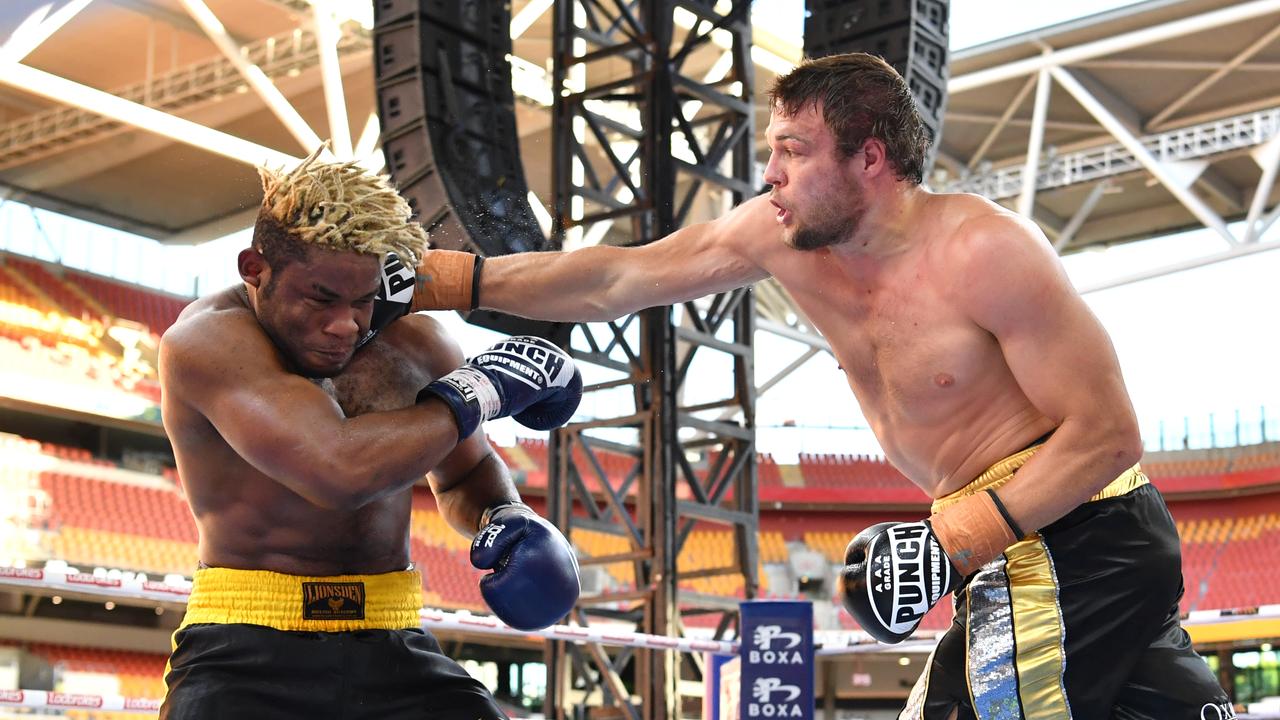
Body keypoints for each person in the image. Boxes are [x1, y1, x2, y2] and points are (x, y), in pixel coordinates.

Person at [411, 53, 1233, 719]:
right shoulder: (777, 238)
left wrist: (955, 540)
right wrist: (438, 281)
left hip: (1075, 536)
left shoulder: (983, 252)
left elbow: (1109, 435)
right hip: (1030, 546)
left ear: (869, 158)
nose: (769, 172)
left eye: (793, 152)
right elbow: (615, 278)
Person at [157, 148, 582, 720]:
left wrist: (507, 516)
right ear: (254, 268)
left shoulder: (417, 345)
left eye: (363, 300)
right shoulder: (205, 344)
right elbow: (336, 471)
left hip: (391, 637)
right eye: (321, 298)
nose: (345, 324)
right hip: (243, 647)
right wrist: (485, 390)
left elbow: (467, 472)